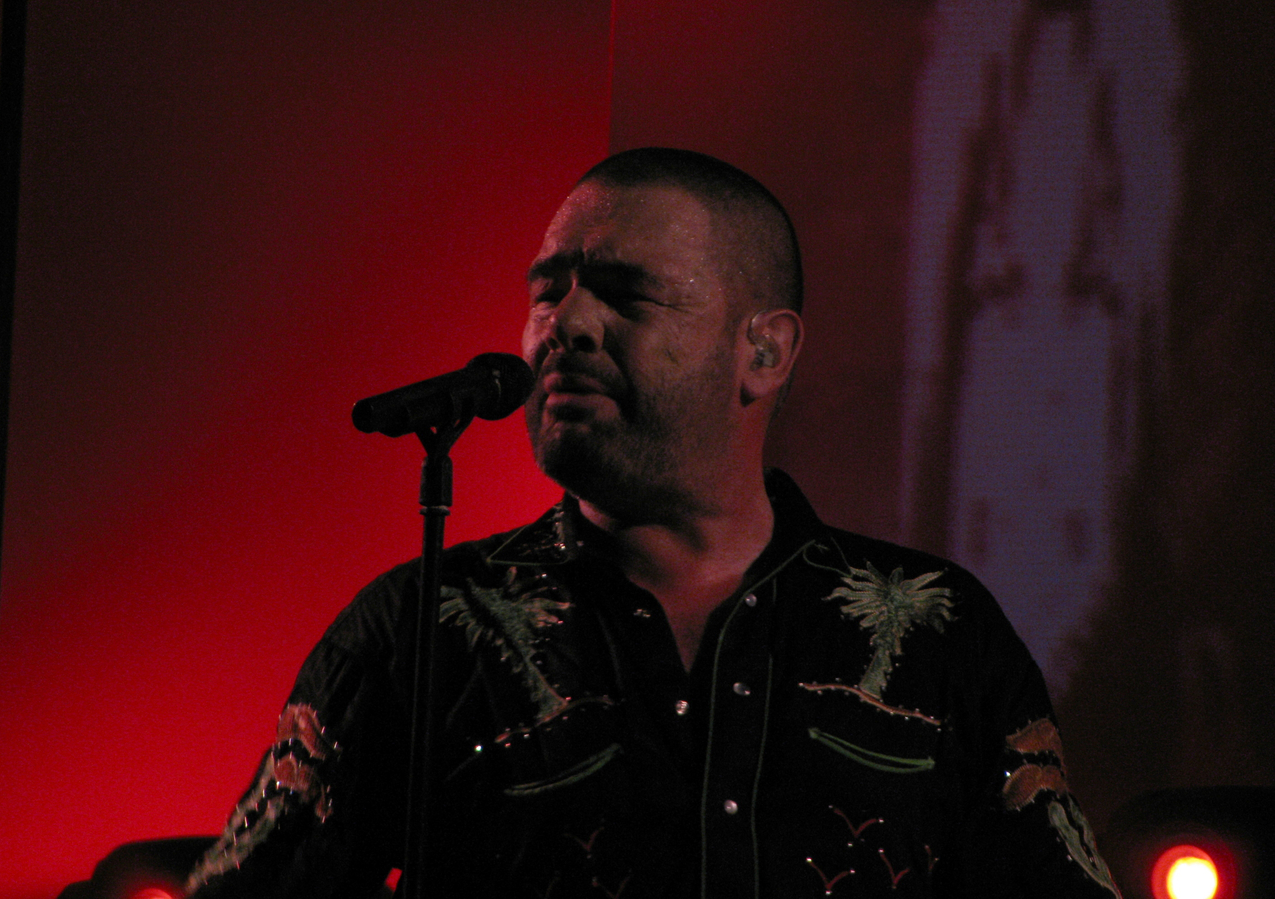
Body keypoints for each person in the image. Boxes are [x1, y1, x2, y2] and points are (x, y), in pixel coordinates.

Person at [187, 148, 1121, 898]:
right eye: (547, 291)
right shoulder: (422, 625)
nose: (566, 324)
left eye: (627, 293)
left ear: (764, 351)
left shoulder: (938, 628)